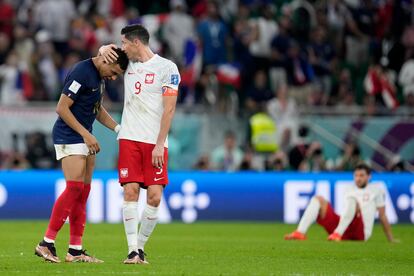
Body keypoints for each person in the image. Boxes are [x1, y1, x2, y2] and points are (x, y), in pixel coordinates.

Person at [34, 47, 129, 263]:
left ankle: (75, 250)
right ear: (106, 60)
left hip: (84, 136)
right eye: (114, 71)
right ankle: (46, 243)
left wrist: (117, 129)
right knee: (74, 188)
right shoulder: (82, 72)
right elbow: (62, 108)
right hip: (70, 136)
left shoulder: (99, 76)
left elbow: (96, 108)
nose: (113, 77)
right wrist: (86, 134)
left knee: (82, 193)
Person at [99, 24, 181, 265]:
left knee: (155, 197)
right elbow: (104, 54)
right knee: (130, 191)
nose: (121, 47)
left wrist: (159, 145)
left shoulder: (167, 68)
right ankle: (132, 250)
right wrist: (104, 46)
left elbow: (170, 109)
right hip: (130, 138)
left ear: (136, 42)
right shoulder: (128, 64)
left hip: (155, 143)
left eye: (124, 43)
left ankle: (141, 248)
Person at [285, 163, 398, 242]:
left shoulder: (376, 190)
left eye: (362, 175)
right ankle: (300, 232)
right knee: (318, 199)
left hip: (361, 231)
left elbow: (382, 216)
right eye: (356, 175)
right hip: (344, 225)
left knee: (353, 200)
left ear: (369, 177)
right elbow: (345, 211)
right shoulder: (348, 188)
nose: (358, 178)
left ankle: (337, 233)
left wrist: (390, 238)